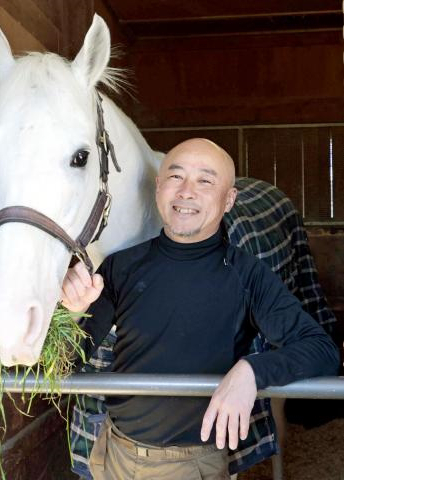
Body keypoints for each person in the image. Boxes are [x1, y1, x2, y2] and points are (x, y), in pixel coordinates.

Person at [61, 138, 340, 480]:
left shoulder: (247, 275)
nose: (186, 192)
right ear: (159, 187)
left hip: (190, 465)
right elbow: (67, 361)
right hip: (112, 454)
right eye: (176, 177)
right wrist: (71, 313)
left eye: (205, 181)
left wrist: (252, 371)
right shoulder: (120, 268)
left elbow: (322, 349)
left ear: (229, 200)